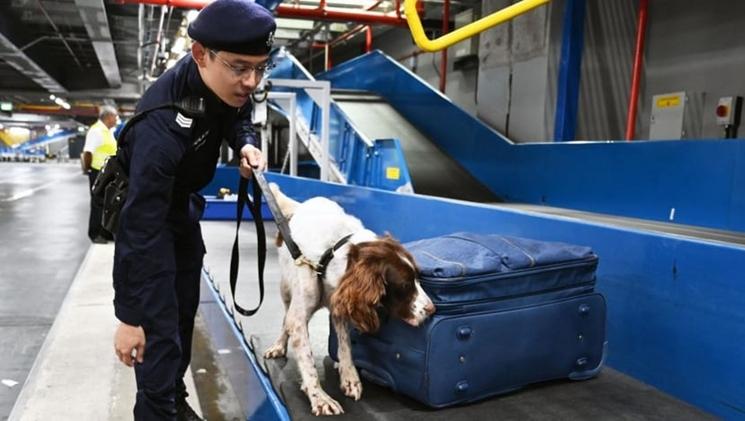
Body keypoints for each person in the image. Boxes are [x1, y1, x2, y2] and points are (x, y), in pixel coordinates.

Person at [111, 1, 274, 419]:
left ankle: (175, 398)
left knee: (183, 313)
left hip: (182, 208)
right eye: (240, 68)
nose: (251, 81)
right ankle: (157, 408)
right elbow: (138, 228)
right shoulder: (161, 126)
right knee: (159, 331)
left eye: (260, 68)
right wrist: (129, 317)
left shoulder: (225, 84)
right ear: (200, 54)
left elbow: (238, 114)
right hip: (152, 216)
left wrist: (246, 143)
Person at [82, 105, 118, 243]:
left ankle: (105, 232)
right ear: (108, 116)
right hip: (97, 172)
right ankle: (95, 233)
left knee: (106, 203)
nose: (116, 120)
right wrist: (88, 169)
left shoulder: (107, 131)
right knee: (97, 204)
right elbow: (88, 152)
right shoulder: (96, 131)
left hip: (107, 172)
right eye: (115, 117)